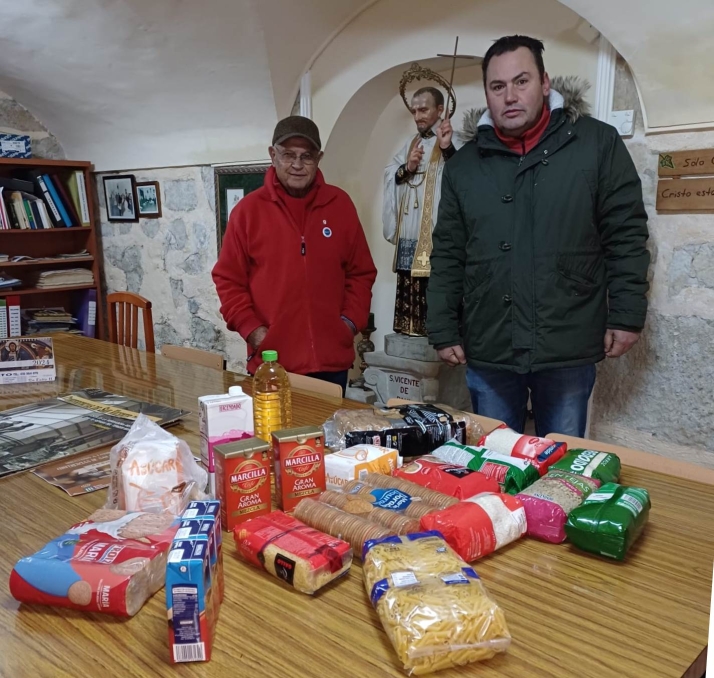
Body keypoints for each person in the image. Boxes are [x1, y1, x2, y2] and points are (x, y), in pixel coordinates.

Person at [427, 35, 650, 437]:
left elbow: (626, 234)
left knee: (562, 465)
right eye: (497, 86)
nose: (509, 96)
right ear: (486, 94)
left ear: (546, 84)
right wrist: (442, 327)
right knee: (495, 464)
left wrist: (627, 314)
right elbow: (447, 251)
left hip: (567, 338)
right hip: (491, 343)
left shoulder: (597, 144)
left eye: (521, 81)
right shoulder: (464, 167)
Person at [212, 115, 377, 395]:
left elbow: (361, 273)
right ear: (272, 155)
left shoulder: (341, 205)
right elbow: (228, 279)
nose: (297, 165)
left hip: (331, 364)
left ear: (319, 158)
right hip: (273, 362)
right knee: (274, 438)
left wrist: (348, 324)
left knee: (328, 438)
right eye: (288, 155)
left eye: (307, 156)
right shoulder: (248, 212)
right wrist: (254, 331)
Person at [383, 86, 460, 337]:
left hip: (436, 227)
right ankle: (409, 328)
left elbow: (465, 175)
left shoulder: (453, 139)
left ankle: (435, 330)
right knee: (409, 274)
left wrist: (447, 148)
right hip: (411, 225)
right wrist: (409, 166)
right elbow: (391, 173)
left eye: (423, 109)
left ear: (440, 110)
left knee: (434, 278)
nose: (417, 116)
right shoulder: (411, 143)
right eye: (414, 111)